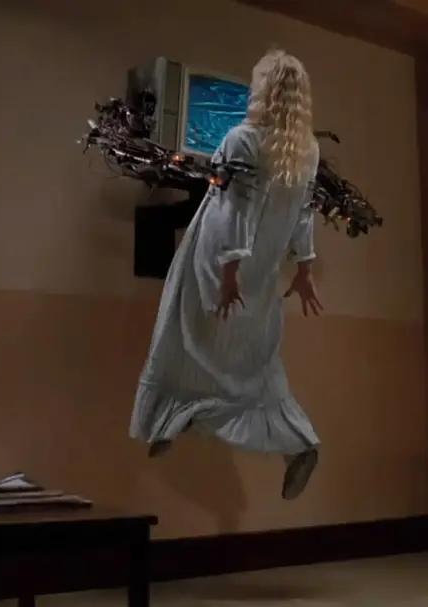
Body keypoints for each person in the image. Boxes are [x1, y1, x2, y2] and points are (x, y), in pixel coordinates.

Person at [130, 49, 323, 500]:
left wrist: (229, 271)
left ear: (264, 90)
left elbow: (236, 210)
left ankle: (172, 418)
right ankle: (297, 442)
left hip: (219, 261)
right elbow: (303, 214)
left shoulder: (243, 140)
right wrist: (304, 267)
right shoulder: (306, 150)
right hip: (262, 273)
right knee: (254, 361)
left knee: (183, 333)